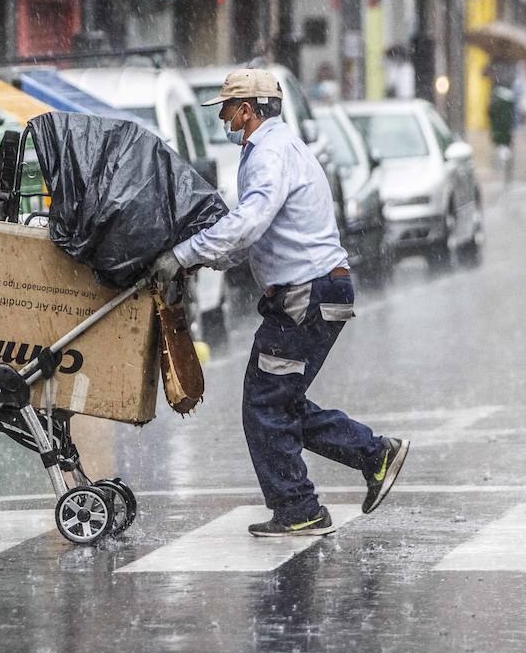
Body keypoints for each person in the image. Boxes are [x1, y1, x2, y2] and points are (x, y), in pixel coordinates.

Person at [150, 69, 409, 537]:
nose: (225, 118)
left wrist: (182, 255)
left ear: (247, 110)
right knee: (278, 403)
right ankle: (372, 456)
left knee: (265, 406)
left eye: (227, 109)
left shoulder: (269, 153)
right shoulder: (276, 148)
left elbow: (249, 222)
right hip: (311, 292)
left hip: (305, 296)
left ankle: (300, 507)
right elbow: (254, 240)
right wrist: (207, 260)